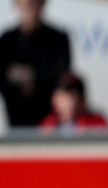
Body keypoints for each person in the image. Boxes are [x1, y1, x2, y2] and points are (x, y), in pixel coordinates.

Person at [0, 0, 71, 128]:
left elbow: (61, 75)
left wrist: (31, 77)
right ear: (16, 4)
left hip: (51, 121)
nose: (31, 7)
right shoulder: (7, 40)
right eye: (27, 3)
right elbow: (3, 77)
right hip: (16, 117)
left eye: (35, 2)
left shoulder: (58, 39)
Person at [39, 72, 108, 135]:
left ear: (82, 100)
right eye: (64, 97)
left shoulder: (96, 124)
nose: (69, 103)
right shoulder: (47, 125)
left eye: (73, 96)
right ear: (54, 99)